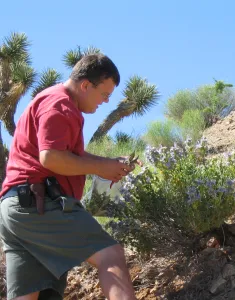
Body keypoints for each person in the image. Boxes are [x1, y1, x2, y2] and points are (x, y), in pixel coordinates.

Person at [0, 54, 138, 300]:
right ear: (85, 85)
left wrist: (108, 164)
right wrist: (99, 168)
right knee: (111, 255)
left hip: (18, 209)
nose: (105, 102)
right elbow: (51, 157)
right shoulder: (59, 104)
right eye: (105, 95)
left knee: (34, 295)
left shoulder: (54, 102)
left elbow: (67, 154)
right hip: (38, 204)